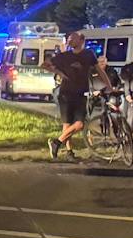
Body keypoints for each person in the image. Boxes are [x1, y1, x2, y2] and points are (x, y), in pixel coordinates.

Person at [46, 31, 110, 160]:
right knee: (67, 124)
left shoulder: (88, 55)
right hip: (65, 93)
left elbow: (99, 71)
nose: (70, 41)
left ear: (81, 41)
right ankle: (69, 152)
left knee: (80, 124)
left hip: (81, 93)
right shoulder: (64, 56)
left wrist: (109, 85)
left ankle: (56, 142)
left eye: (73, 38)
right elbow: (46, 64)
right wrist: (59, 73)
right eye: (69, 38)